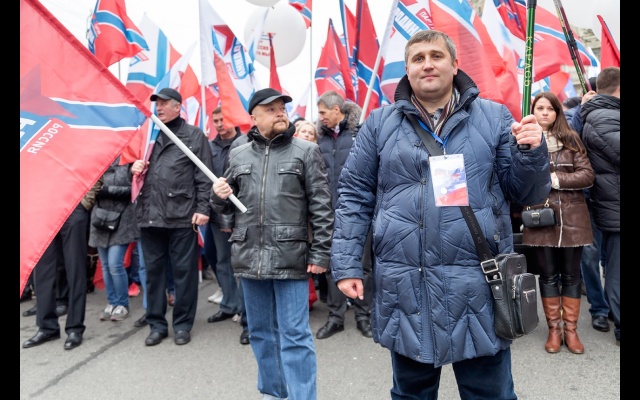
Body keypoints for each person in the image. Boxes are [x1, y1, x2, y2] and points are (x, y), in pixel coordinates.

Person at [329, 30, 551, 399]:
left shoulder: (494, 117)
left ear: (455, 65)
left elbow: (527, 193)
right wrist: (348, 264)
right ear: (407, 70)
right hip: (406, 286)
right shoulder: (379, 123)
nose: (427, 64)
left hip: (478, 285)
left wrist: (531, 152)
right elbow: (354, 195)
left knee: (490, 394)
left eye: (436, 56)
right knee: (411, 393)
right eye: (418, 58)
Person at [210, 88, 333, 400]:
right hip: (249, 256)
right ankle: (274, 393)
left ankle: (302, 396)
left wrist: (320, 253)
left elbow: (321, 207)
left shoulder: (306, 151)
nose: (280, 113)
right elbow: (226, 207)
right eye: (271, 109)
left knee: (295, 336)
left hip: (291, 255)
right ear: (254, 117)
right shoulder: (238, 154)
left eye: (282, 108)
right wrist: (218, 196)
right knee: (261, 333)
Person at [131, 87, 213, 346]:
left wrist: (203, 208)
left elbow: (204, 176)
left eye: (165, 103)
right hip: (150, 216)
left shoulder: (193, 135)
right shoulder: (148, 135)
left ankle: (182, 324)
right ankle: (156, 325)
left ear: (178, 107)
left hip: (181, 215)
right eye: (157, 104)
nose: (159, 108)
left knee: (184, 274)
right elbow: (130, 169)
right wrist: (133, 167)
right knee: (153, 274)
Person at [522, 92, 595, 354]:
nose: (544, 113)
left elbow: (587, 176)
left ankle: (571, 331)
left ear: (557, 112)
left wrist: (556, 180)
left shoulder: (571, 139)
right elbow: (517, 179)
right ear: (532, 111)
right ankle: (554, 330)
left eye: (550, 108)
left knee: (572, 275)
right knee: (548, 275)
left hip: (573, 218)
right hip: (540, 218)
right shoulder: (524, 141)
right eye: (539, 108)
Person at [314, 90, 374, 340]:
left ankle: (363, 315)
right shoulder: (319, 138)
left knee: (363, 266)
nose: (320, 117)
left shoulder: (360, 133)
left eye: (323, 112)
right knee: (332, 266)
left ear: (336, 110)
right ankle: (335, 317)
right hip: (329, 211)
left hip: (359, 211)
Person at [23, 180, 102, 350]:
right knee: (42, 271)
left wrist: (84, 202)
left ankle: (75, 328)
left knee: (75, 270)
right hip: (44, 208)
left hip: (72, 205)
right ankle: (46, 327)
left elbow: (95, 170)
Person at [580, 66, 620, 346]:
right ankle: (605, 313)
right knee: (607, 265)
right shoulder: (603, 116)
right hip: (607, 202)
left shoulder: (604, 114)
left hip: (608, 200)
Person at [203, 106, 248, 346]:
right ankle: (229, 304)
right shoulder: (209, 147)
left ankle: (243, 309)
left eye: (223, 119)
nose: (219, 124)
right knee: (220, 261)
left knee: (238, 264)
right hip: (214, 214)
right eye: (216, 120)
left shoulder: (243, 144)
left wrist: (228, 219)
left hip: (234, 215)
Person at [89, 155, 138, 322]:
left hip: (122, 220)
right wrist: (103, 191)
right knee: (105, 265)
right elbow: (89, 190)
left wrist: (106, 191)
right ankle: (112, 302)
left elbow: (132, 190)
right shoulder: (96, 163)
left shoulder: (128, 162)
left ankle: (122, 304)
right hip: (100, 219)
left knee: (115, 264)